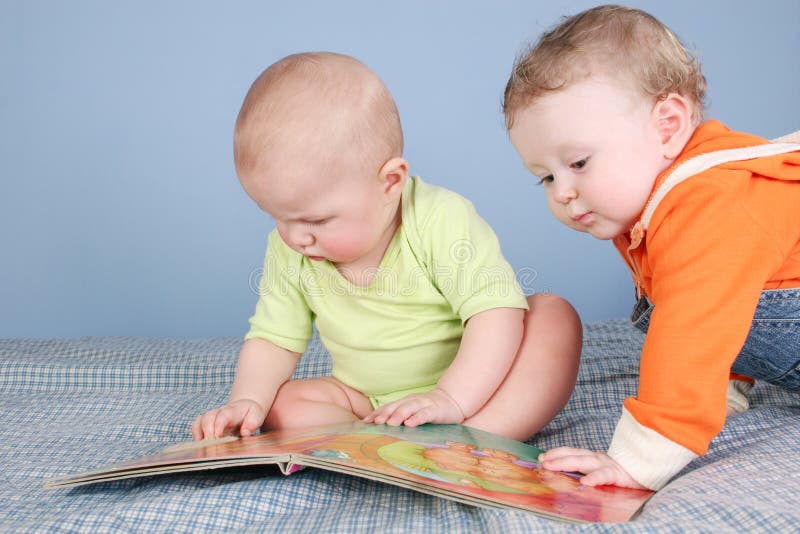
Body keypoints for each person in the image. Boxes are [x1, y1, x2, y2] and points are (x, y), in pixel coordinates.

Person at [192, 52, 582, 443]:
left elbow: (494, 315)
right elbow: (273, 337)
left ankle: (481, 435)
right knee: (282, 406)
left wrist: (450, 397)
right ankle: (377, 443)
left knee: (552, 317)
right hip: (366, 401)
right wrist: (246, 400)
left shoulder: (439, 218)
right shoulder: (290, 247)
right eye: (275, 214)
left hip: (477, 387)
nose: (295, 236)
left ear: (390, 183)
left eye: (316, 220)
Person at [503, 4, 800, 491]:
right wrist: (725, 386)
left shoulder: (711, 200)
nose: (562, 192)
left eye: (578, 162)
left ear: (667, 125)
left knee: (678, 312)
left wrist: (635, 462)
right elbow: (735, 308)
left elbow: (696, 327)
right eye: (546, 177)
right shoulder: (655, 209)